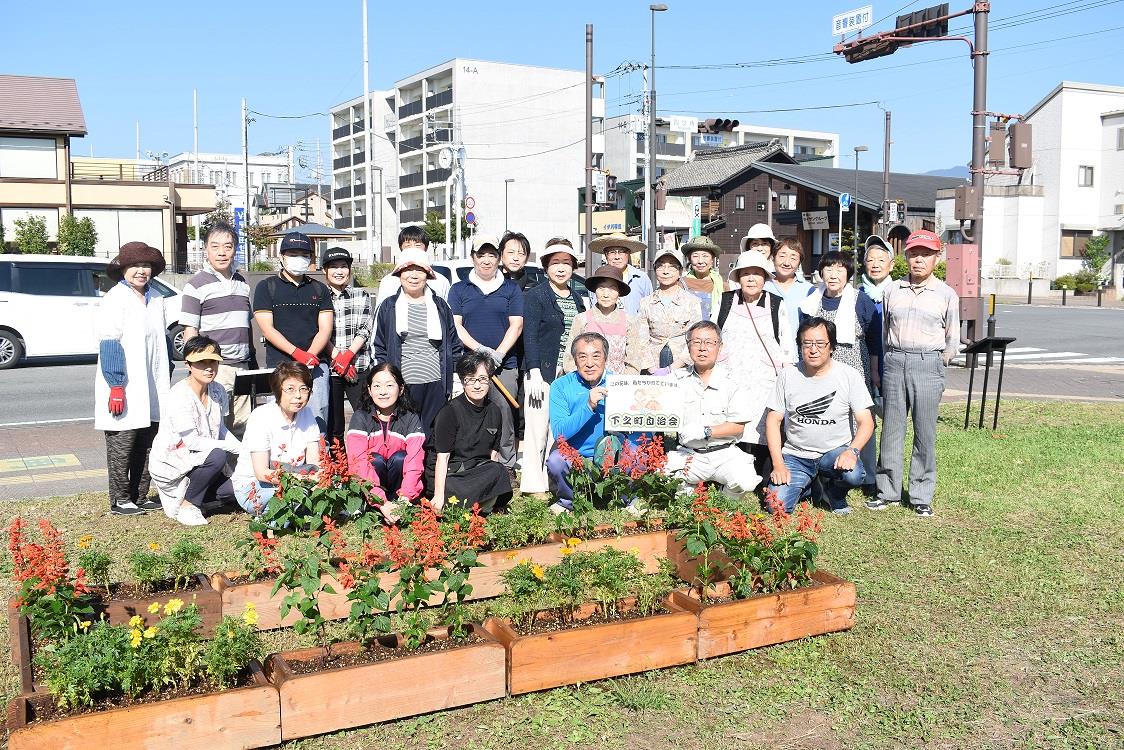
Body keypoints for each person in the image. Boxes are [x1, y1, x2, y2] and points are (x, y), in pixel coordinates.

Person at [870, 229, 960, 518]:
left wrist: (937, 360)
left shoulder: (946, 294)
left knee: (925, 431)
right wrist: (891, 358)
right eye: (913, 253)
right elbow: (885, 332)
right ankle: (888, 491)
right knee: (892, 428)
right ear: (905, 257)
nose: (919, 259)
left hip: (928, 362)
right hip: (896, 360)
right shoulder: (892, 290)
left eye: (926, 254)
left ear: (936, 257)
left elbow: (952, 339)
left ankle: (921, 495)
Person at [766, 317, 875, 514]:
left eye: (820, 344)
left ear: (832, 346)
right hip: (796, 455)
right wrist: (778, 465)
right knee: (776, 507)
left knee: (854, 474)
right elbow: (773, 420)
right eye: (807, 343)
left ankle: (835, 493)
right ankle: (810, 486)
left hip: (834, 453)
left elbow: (866, 421)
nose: (813, 349)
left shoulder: (849, 376)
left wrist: (852, 451)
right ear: (800, 346)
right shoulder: (787, 376)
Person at [95, 241, 172, 516]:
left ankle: (139, 494)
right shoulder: (116, 298)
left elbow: (162, 342)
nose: (141, 271)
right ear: (123, 269)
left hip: (153, 383)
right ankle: (119, 499)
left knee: (148, 440)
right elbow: (110, 342)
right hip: (126, 384)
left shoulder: (157, 298)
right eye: (135, 266)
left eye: (146, 265)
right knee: (122, 442)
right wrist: (116, 385)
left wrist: (168, 373)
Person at [713, 250, 792, 479]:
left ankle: (765, 475)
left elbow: (786, 343)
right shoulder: (726, 301)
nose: (751, 279)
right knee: (732, 421)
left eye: (756, 274)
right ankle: (728, 475)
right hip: (731, 375)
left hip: (765, 378)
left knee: (764, 425)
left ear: (765, 278)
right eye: (745, 273)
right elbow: (714, 333)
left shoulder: (776, 304)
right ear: (738, 277)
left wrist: (786, 375)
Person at [447, 234, 523, 471]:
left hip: (505, 364)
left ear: (499, 258)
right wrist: (481, 351)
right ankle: (473, 462)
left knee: (504, 413)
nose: (487, 260)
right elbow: (456, 325)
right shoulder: (459, 289)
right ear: (473, 258)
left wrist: (498, 354)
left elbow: (516, 325)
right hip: (470, 363)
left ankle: (507, 465)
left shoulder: (510, 288)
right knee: (470, 412)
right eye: (481, 255)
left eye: (492, 255)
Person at [148, 337, 242, 526]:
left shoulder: (218, 390)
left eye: (213, 361)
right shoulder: (179, 395)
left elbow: (221, 428)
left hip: (204, 462)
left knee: (239, 488)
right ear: (188, 365)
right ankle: (186, 504)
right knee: (218, 456)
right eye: (201, 362)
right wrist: (231, 447)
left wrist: (243, 449)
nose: (209, 367)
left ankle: (202, 499)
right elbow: (192, 442)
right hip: (175, 464)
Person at [372, 245, 463, 435]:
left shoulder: (440, 306)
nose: (413, 275)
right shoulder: (388, 307)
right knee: (404, 434)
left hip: (436, 383)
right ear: (399, 274)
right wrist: (387, 380)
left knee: (432, 434)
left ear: (427, 274)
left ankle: (431, 466)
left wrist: (454, 378)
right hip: (402, 384)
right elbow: (377, 346)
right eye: (408, 270)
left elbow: (454, 344)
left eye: (419, 270)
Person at [664, 321, 760, 496]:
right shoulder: (674, 380)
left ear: (720, 347)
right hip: (689, 454)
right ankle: (687, 492)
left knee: (745, 481)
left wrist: (706, 431)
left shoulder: (732, 381)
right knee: (662, 474)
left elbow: (738, 426)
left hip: (724, 453)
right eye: (696, 342)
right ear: (688, 346)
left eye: (709, 342)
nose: (702, 348)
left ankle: (726, 502)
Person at [520, 238, 586, 493]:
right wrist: (534, 371)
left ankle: (553, 481)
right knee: (537, 428)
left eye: (566, 263)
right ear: (546, 266)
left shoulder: (579, 298)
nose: (561, 268)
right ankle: (533, 485)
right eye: (555, 263)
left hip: (568, 374)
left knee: (558, 430)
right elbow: (531, 336)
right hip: (543, 372)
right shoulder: (536, 296)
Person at [179, 221, 254, 437]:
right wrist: (196, 366)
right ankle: (218, 471)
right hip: (216, 368)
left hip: (243, 367)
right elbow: (190, 331)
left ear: (235, 249)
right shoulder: (195, 285)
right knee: (214, 427)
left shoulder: (243, 283)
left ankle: (237, 471)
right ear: (206, 249)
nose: (221, 252)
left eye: (228, 246)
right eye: (215, 246)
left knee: (242, 427)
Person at [252, 231, 334, 427]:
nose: (300, 259)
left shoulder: (319, 289)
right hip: (280, 366)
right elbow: (267, 329)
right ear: (281, 257)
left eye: (305, 255)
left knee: (317, 417)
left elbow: (325, 328)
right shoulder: (266, 287)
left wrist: (309, 356)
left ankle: (318, 457)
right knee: (280, 420)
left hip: (315, 367)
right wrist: (297, 354)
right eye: (293, 254)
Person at [425, 352, 513, 514]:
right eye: (471, 379)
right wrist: (438, 495)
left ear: (490, 379)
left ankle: (475, 505)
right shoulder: (449, 412)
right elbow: (442, 458)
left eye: (482, 379)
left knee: (500, 471)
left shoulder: (494, 411)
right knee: (455, 489)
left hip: (477, 471)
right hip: (453, 475)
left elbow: (493, 456)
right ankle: (480, 506)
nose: (477, 385)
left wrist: (492, 480)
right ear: (462, 381)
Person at [232, 362, 322, 515]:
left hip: (295, 481)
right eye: (290, 389)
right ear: (277, 391)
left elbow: (314, 463)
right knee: (294, 503)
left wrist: (318, 478)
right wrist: (300, 481)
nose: (298, 396)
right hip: (255, 486)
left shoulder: (307, 414)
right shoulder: (261, 416)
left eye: (304, 389)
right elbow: (261, 472)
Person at [345, 363, 426, 522]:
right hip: (372, 493)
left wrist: (402, 502)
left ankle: (398, 507)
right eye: (377, 386)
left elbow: (415, 461)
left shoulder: (410, 418)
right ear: (369, 390)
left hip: (400, 493)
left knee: (401, 458)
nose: (383, 392)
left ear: (401, 389)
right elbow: (358, 464)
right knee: (374, 459)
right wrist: (382, 504)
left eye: (389, 385)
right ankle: (375, 509)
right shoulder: (360, 417)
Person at [545, 333, 613, 513]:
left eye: (596, 356)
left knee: (639, 451)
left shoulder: (619, 384)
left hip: (610, 456)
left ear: (605, 358)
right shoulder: (560, 386)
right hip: (575, 456)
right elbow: (559, 433)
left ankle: (626, 498)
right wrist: (588, 406)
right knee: (556, 461)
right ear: (575, 360)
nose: (589, 363)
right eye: (582, 356)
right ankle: (567, 500)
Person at [799, 251, 882, 394]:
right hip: (818, 367)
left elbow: (874, 340)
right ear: (821, 272)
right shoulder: (811, 300)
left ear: (848, 274)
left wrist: (874, 371)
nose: (833, 275)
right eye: (828, 269)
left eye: (839, 270)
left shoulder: (860, 300)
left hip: (854, 367)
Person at [321, 246, 375, 445]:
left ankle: (364, 464)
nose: (339, 271)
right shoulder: (319, 296)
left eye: (344, 266)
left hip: (358, 366)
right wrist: (338, 358)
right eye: (333, 267)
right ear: (325, 271)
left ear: (350, 270)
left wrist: (348, 356)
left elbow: (365, 328)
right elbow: (319, 332)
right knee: (334, 425)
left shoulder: (361, 295)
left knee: (365, 418)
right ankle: (338, 469)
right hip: (331, 369)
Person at [858, 234, 894, 495]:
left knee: (892, 425)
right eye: (870, 260)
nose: (875, 264)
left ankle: (889, 475)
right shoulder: (857, 294)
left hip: (893, 365)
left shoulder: (899, 291)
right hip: (864, 365)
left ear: (891, 265)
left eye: (881, 260)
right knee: (865, 419)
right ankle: (867, 475)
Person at [630, 248, 701, 372]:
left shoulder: (692, 302)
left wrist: (674, 367)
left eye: (672, 267)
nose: (666, 272)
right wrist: (652, 369)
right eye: (661, 266)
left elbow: (695, 338)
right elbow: (641, 338)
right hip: (652, 366)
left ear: (680, 271)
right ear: (655, 269)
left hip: (683, 367)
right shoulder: (645, 302)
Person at [562, 265, 638, 376]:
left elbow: (634, 362)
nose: (606, 294)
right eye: (601, 288)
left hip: (618, 386)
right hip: (586, 385)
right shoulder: (581, 319)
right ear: (595, 291)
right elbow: (569, 359)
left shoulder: (630, 321)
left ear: (619, 293)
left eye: (612, 289)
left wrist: (622, 384)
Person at [764, 237, 814, 362]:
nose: (787, 262)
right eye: (782, 256)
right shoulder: (762, 285)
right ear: (773, 257)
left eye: (793, 258)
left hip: (799, 356)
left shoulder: (809, 290)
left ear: (799, 262)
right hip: (767, 355)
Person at [376, 226, 450, 308]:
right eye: (408, 246)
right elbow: (379, 314)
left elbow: (447, 314)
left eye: (417, 245)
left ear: (426, 248)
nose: (413, 249)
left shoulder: (441, 281)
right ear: (401, 248)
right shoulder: (388, 281)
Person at [587, 233, 652, 315]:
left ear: (628, 254)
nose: (617, 257)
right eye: (612, 252)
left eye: (621, 252)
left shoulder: (641, 278)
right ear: (606, 255)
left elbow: (649, 309)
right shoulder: (596, 279)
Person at [681, 235, 729, 321]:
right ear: (689, 259)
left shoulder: (723, 286)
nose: (700, 261)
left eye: (705, 256)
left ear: (712, 259)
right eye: (695, 256)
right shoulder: (681, 284)